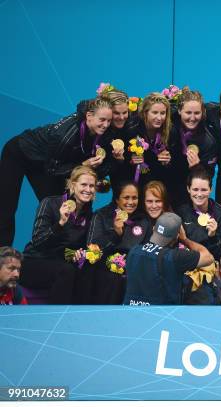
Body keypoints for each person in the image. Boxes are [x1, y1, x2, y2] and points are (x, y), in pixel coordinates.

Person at [0, 96, 115, 246]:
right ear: (89, 116)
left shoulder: (101, 130)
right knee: (6, 208)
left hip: (49, 160)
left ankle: (55, 250)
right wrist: (82, 164)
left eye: (109, 120)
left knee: (59, 205)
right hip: (20, 153)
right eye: (102, 120)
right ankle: (3, 256)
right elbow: (52, 169)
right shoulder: (65, 136)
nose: (106, 125)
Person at [19, 166, 97, 304]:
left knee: (88, 271)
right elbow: (38, 242)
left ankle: (81, 318)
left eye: (92, 186)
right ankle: (57, 319)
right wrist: (60, 223)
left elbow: (74, 247)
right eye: (84, 184)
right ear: (72, 185)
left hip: (59, 261)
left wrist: (78, 253)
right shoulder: (50, 203)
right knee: (66, 271)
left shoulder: (88, 214)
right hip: (34, 261)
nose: (88, 189)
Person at [123, 212, 214, 305]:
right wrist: (185, 239)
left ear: (154, 229)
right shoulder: (174, 256)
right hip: (161, 314)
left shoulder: (134, 251)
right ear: (177, 236)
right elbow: (208, 257)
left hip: (130, 310)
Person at [86, 181, 149, 304]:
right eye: (126, 198)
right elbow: (92, 250)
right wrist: (115, 233)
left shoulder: (143, 219)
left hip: (132, 268)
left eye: (134, 198)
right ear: (117, 200)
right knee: (114, 280)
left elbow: (146, 249)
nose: (130, 202)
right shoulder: (101, 215)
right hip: (104, 268)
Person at [167, 88, 218, 208]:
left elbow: (209, 176)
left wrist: (197, 167)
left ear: (203, 112)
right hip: (166, 182)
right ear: (179, 110)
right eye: (188, 113)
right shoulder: (167, 125)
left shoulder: (208, 141)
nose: (192, 118)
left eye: (197, 113)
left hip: (189, 191)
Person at [175, 167, 221, 260]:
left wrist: (213, 238)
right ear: (188, 189)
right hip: (187, 263)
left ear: (210, 189)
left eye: (204, 190)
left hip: (211, 264)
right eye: (195, 189)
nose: (199, 194)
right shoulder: (180, 213)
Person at [119, 93, 173, 189]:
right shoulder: (131, 130)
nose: (159, 118)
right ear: (145, 113)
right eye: (155, 112)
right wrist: (130, 160)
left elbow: (173, 166)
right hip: (132, 182)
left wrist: (168, 161)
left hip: (157, 183)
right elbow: (120, 163)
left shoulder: (170, 131)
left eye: (163, 113)